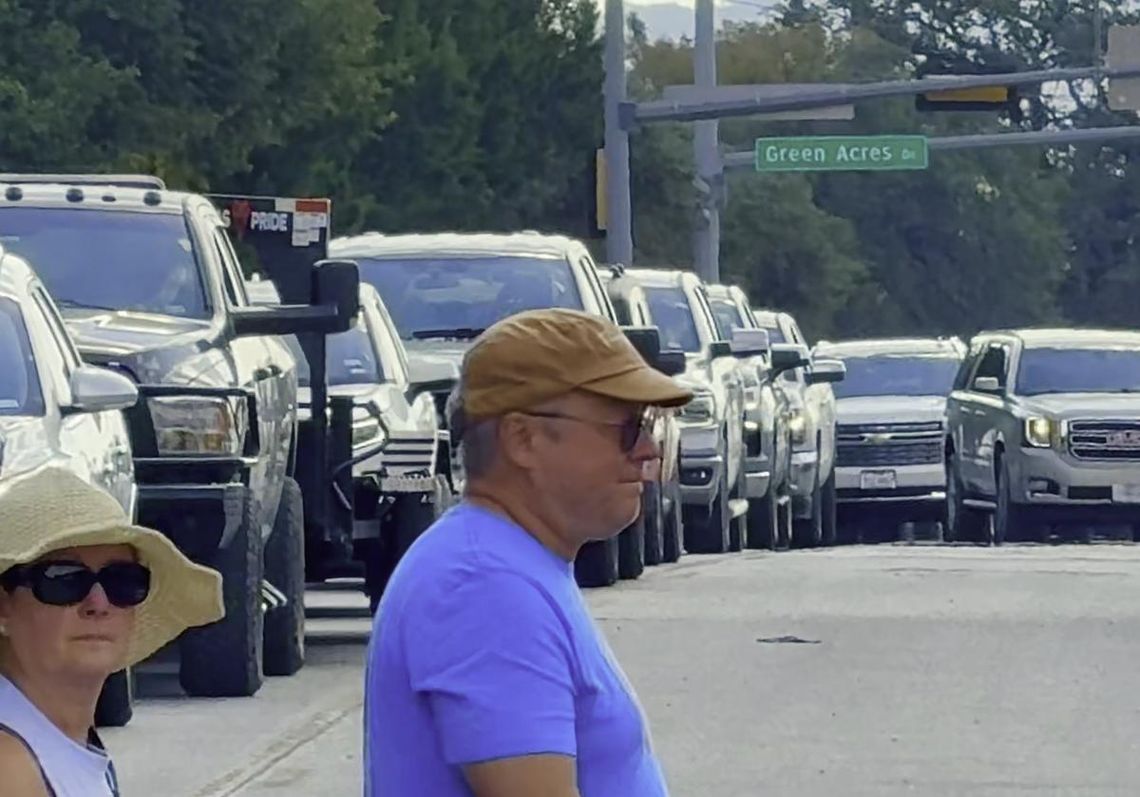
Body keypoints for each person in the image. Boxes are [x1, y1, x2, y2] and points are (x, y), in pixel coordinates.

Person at [364, 307, 694, 797]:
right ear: (523, 439)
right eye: (626, 428)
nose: (647, 449)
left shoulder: (505, 563)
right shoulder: (484, 588)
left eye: (647, 425)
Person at [0, 467, 224, 796]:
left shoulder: (61, 744)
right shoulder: (10, 768)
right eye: (64, 579)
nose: (98, 603)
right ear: (3, 607)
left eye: (122, 581)